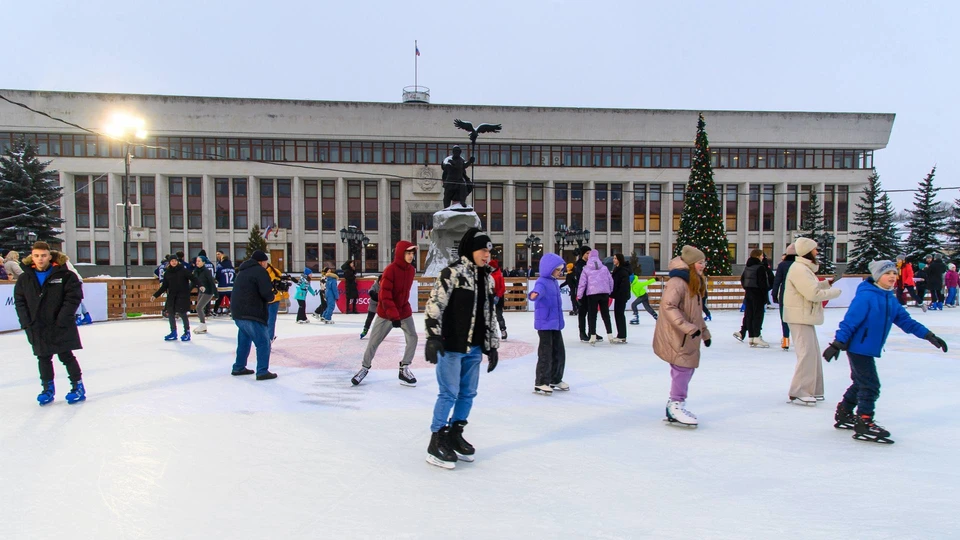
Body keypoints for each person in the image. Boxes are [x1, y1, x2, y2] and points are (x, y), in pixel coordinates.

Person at [823, 260, 947, 443]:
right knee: (870, 385)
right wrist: (837, 344)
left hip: (868, 347)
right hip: (858, 347)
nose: (892, 277)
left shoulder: (889, 298)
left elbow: (906, 321)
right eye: (887, 273)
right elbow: (850, 321)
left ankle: (844, 413)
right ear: (876, 276)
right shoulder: (866, 296)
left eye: (894, 273)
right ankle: (864, 421)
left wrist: (928, 335)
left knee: (860, 382)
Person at [423, 228, 500, 470]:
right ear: (470, 249)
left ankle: (456, 432)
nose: (487, 255)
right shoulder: (452, 273)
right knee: (449, 393)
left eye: (489, 251)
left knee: (468, 393)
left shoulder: (487, 278)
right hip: (452, 346)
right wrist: (433, 337)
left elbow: (490, 315)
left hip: (475, 348)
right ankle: (436, 440)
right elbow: (435, 304)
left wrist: (493, 345)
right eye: (482, 250)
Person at [14, 241, 87, 405]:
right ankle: (47, 389)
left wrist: (63, 317)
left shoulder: (65, 275)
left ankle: (78, 386)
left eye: (43, 255)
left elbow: (73, 297)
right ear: (32, 257)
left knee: (66, 356)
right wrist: (26, 323)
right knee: (43, 357)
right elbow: (20, 301)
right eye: (36, 256)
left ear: (50, 256)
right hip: (37, 325)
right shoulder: (25, 278)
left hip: (60, 324)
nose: (40, 259)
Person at [652, 245, 711, 427]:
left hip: (689, 334)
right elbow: (668, 306)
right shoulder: (678, 282)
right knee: (682, 368)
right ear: (692, 264)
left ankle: (676, 403)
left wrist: (704, 333)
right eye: (700, 263)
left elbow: (696, 312)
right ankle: (675, 404)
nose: (703, 266)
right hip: (678, 334)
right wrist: (687, 327)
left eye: (704, 262)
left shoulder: (694, 281)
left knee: (687, 368)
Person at [782, 238, 841, 406]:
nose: (817, 252)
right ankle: (800, 391)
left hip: (804, 316)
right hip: (798, 316)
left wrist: (825, 284)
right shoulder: (800, 269)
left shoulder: (804, 269)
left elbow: (810, 288)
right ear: (808, 251)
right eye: (815, 249)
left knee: (812, 353)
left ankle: (813, 389)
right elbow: (812, 294)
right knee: (806, 353)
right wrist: (834, 292)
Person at [351, 242, 419, 386]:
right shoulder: (390, 270)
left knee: (413, 337)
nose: (411, 256)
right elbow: (385, 296)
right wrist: (394, 316)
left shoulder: (411, 270)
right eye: (408, 253)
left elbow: (403, 294)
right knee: (374, 342)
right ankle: (364, 368)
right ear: (401, 253)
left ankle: (404, 367)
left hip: (403, 310)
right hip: (386, 313)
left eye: (413, 253)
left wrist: (400, 312)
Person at [230, 250, 277, 380]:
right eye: (266, 262)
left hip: (238, 313)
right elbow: (267, 294)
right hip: (252, 313)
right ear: (262, 262)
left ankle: (238, 367)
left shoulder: (243, 271)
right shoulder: (260, 272)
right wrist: (273, 293)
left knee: (244, 341)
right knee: (263, 342)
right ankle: (262, 371)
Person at [528, 252, 568, 395]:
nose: (559, 272)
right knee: (546, 353)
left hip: (555, 323)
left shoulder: (554, 282)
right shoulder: (542, 281)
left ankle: (555, 378)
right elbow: (536, 291)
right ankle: (541, 382)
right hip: (545, 323)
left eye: (561, 270)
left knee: (559, 352)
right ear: (548, 269)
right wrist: (534, 295)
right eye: (557, 270)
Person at [152, 254, 201, 342]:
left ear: (177, 261)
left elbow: (193, 278)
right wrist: (155, 295)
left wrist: (200, 285)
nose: (174, 262)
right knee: (170, 314)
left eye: (175, 261)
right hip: (172, 296)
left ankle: (187, 332)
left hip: (182, 295)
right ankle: (173, 332)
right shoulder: (167, 273)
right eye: (172, 261)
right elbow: (164, 286)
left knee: (182, 314)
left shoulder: (183, 270)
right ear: (169, 262)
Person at [734, 249, 772, 348]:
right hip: (758, 294)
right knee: (758, 315)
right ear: (758, 256)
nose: (763, 257)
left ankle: (751, 337)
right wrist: (765, 295)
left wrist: (747, 288)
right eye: (762, 255)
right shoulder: (760, 268)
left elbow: (743, 279)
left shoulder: (747, 267)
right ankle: (756, 336)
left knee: (749, 315)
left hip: (749, 294)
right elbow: (763, 283)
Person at [577, 249, 614, 345]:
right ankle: (610, 334)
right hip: (604, 293)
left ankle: (592, 335)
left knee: (592, 315)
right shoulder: (604, 268)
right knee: (606, 314)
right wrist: (609, 290)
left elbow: (582, 283)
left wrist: (579, 296)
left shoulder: (586, 269)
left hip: (592, 294)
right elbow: (611, 280)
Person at [771, 244, 797, 351]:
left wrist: (774, 294)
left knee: (785, 318)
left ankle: (786, 339)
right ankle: (798, 339)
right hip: (797, 295)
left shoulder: (782, 265)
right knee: (796, 318)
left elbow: (777, 281)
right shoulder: (799, 265)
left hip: (785, 294)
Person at [610, 254, 632, 343]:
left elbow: (624, 285)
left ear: (619, 259)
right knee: (618, 314)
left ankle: (622, 335)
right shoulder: (617, 269)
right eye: (613, 258)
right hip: (618, 295)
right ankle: (620, 334)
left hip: (621, 296)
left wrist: (619, 294)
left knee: (619, 315)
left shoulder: (622, 271)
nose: (613, 260)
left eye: (615, 258)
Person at [192, 256, 217, 334]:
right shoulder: (196, 271)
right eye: (197, 261)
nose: (197, 262)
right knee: (199, 308)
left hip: (208, 291)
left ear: (203, 262)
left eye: (199, 261)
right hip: (201, 291)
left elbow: (211, 282)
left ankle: (202, 325)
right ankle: (202, 325)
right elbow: (193, 282)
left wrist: (216, 293)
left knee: (199, 307)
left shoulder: (206, 271)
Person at [265, 262, 288, 341]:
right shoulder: (258, 272)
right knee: (263, 320)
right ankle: (265, 337)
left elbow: (282, 285)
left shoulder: (276, 272)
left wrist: (286, 297)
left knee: (271, 320)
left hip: (274, 299)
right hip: (263, 299)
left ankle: (269, 338)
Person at [574, 247, 591, 337]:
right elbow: (580, 277)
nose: (589, 255)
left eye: (590, 253)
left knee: (591, 313)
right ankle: (582, 332)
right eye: (587, 253)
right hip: (583, 291)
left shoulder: (592, 263)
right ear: (583, 254)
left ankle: (592, 332)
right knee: (582, 312)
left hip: (591, 291)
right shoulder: (579, 264)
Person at [489, 259, 508, 340]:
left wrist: (498, 296)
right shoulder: (488, 274)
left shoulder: (499, 275)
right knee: (488, 315)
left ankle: (503, 330)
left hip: (498, 297)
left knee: (499, 315)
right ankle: (489, 332)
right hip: (489, 296)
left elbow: (502, 288)